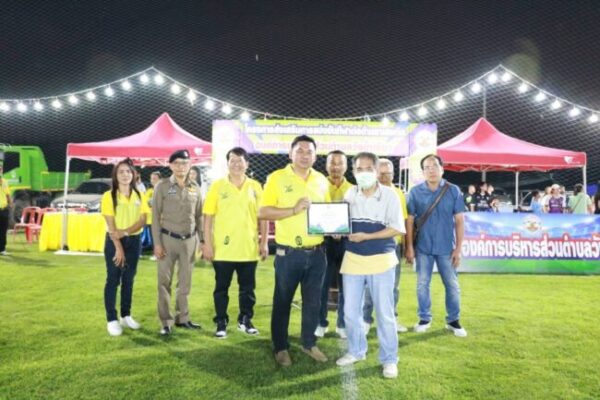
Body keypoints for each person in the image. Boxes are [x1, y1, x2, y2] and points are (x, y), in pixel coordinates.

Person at [258, 135, 331, 367]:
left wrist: (334, 228)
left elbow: (327, 212)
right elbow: (263, 212)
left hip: (317, 253)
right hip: (289, 253)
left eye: (309, 152)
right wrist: (293, 209)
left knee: (313, 302)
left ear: (315, 156)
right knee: (283, 301)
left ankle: (309, 343)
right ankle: (281, 347)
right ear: (290, 154)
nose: (304, 155)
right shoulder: (276, 178)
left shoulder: (321, 180)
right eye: (300, 151)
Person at [335, 152, 405, 379]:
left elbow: (397, 228)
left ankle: (390, 359)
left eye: (368, 169)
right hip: (353, 259)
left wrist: (367, 236)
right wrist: (336, 231)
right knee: (350, 311)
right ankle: (356, 351)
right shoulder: (349, 193)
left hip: (381, 260)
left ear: (376, 171)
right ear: (353, 171)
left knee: (385, 313)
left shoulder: (390, 195)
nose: (363, 173)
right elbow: (341, 224)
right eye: (359, 169)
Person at [202, 147, 269, 339]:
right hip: (223, 249)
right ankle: (221, 322)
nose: (236, 164)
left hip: (248, 248)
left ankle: (245, 320)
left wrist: (264, 242)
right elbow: (208, 216)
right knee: (221, 288)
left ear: (247, 164)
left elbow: (263, 217)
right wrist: (207, 243)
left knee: (248, 289)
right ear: (227, 163)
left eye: (240, 161)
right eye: (232, 161)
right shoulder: (218, 186)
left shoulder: (255, 186)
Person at [406, 154, 467, 338]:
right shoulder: (415, 192)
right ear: (422, 171)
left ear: (442, 169)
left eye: (434, 166)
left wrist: (458, 249)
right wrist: (409, 247)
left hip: (446, 248)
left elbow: (459, 221)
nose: (431, 170)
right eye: (427, 167)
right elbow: (409, 221)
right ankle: (424, 318)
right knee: (422, 284)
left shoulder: (453, 190)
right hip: (423, 247)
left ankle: (453, 320)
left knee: (452, 285)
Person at [152, 150, 203, 336]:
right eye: (177, 163)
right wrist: (157, 244)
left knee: (185, 282)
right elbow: (155, 217)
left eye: (185, 163)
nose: (181, 167)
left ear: (190, 165)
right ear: (171, 165)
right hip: (167, 240)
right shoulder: (163, 186)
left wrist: (202, 240)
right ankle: (166, 321)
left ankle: (183, 318)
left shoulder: (195, 187)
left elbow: (199, 216)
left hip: (189, 240)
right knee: (164, 282)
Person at [101, 159, 149, 336]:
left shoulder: (140, 195)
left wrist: (126, 232)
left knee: (129, 279)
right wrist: (119, 248)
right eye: (121, 172)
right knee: (113, 279)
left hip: (134, 241)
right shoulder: (109, 196)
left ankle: (125, 315)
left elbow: (143, 220)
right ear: (115, 175)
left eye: (128, 171)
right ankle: (112, 319)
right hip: (114, 242)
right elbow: (111, 226)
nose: (125, 175)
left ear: (133, 174)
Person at [362, 158, 408, 334]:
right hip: (371, 246)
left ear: (393, 175)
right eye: (381, 173)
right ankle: (366, 319)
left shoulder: (399, 194)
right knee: (369, 285)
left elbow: (403, 221)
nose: (384, 176)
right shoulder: (366, 191)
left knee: (393, 286)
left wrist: (406, 246)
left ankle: (392, 319)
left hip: (393, 247)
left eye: (388, 173)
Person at [315, 150, 353, 340]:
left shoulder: (353, 189)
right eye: (332, 163)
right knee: (321, 284)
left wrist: (344, 230)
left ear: (346, 166)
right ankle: (320, 323)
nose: (336, 167)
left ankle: (342, 323)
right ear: (326, 165)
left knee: (347, 284)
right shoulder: (318, 186)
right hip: (324, 241)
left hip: (347, 242)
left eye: (340, 163)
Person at [143, 171, 162, 259]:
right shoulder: (149, 191)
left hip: (160, 219)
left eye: (155, 178)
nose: (153, 180)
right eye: (151, 178)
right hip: (150, 219)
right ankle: (156, 254)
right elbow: (144, 203)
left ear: (160, 180)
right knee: (153, 238)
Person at [0, 163, 13, 256]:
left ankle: (2, 249)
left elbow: (8, 194)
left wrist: (11, 204)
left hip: (4, 209)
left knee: (3, 230)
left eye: (0, 169)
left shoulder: (4, 181)